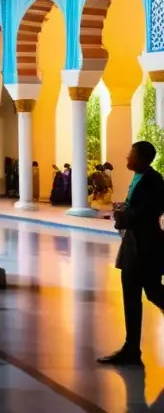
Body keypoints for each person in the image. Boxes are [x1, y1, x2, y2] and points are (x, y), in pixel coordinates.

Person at [98, 141, 164, 366]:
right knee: (132, 297)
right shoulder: (140, 177)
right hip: (134, 245)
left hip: (146, 246)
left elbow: (147, 212)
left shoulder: (153, 180)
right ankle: (131, 348)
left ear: (141, 158)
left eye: (131, 154)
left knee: (153, 291)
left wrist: (123, 216)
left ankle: (131, 348)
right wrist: (123, 212)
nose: (127, 157)